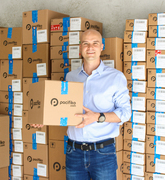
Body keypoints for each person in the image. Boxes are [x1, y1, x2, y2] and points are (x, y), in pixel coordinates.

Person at [32, 29, 131, 180]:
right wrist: (43, 118)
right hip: (74, 151)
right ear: (80, 47)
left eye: (95, 43)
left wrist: (97, 117)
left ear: (101, 46)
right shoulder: (71, 76)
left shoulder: (116, 77)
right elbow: (64, 108)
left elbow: (125, 113)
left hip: (103, 153)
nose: (90, 48)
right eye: (85, 43)